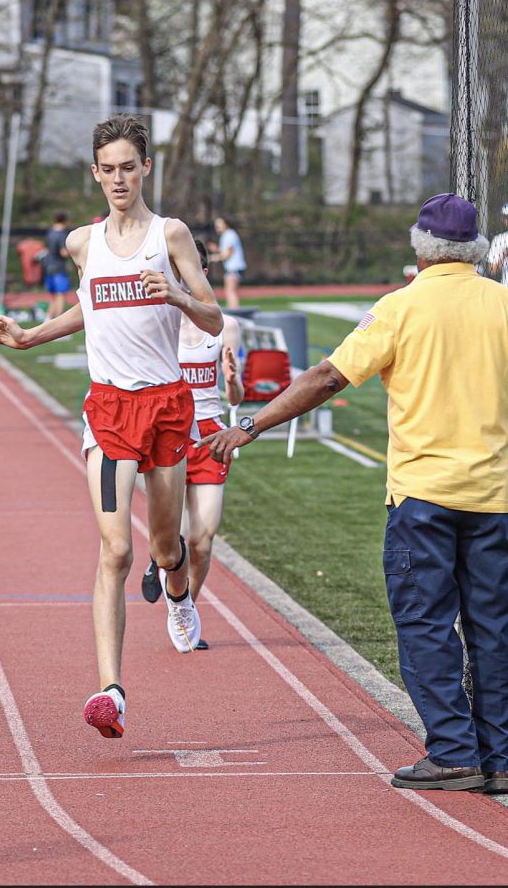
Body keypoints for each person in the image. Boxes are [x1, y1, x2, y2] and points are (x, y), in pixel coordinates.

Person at [201, 192, 508, 794]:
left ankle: (452, 751)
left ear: (419, 247)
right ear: (474, 249)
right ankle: (499, 758)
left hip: (423, 495)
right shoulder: (501, 305)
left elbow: (325, 378)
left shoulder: (401, 307)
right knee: (494, 628)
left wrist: (250, 425)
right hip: (495, 495)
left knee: (424, 623)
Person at [0, 114, 223, 739]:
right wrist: (31, 335)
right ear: (95, 173)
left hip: (168, 408)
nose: (118, 178)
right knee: (115, 549)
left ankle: (177, 594)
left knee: (166, 547)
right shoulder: (81, 243)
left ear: (146, 168)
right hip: (111, 412)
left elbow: (215, 318)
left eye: (128, 167)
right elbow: (88, 308)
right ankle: (110, 691)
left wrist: (175, 295)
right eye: (107, 169)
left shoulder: (170, 236)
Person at [141, 239, 244, 651]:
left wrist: (232, 377)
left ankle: (184, 611)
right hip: (170, 431)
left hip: (211, 434)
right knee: (174, 538)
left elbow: (235, 396)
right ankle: (160, 558)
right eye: (180, 268)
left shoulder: (226, 325)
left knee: (203, 540)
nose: (187, 275)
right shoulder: (155, 318)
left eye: (196, 268)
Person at [207, 215, 246, 309]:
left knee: (230, 292)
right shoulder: (227, 235)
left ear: (226, 224)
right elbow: (226, 252)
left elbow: (227, 255)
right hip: (233, 268)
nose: (217, 226)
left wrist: (211, 258)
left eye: (219, 224)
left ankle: (234, 313)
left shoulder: (229, 235)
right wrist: (217, 250)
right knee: (229, 291)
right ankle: (233, 312)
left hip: (234, 268)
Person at [43, 211, 72, 321]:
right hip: (59, 268)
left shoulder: (49, 233)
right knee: (61, 296)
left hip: (48, 267)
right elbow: (63, 252)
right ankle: (59, 323)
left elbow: (46, 250)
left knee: (54, 296)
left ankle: (48, 320)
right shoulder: (62, 234)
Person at [486, 202, 508, 287]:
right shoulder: (499, 239)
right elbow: (492, 270)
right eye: (507, 217)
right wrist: (505, 254)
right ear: (504, 219)